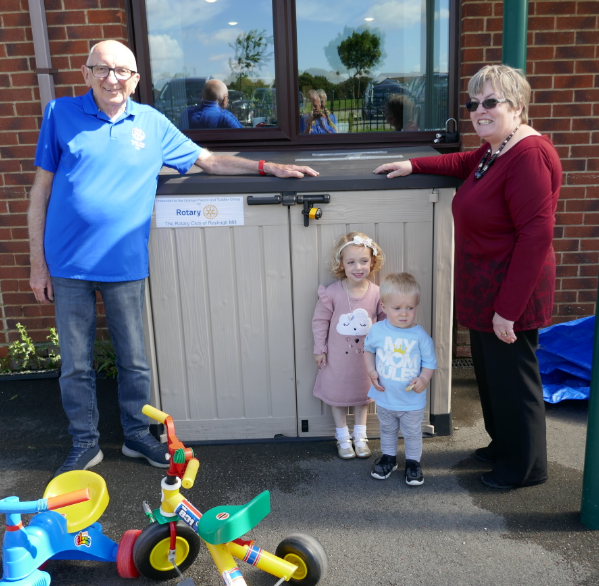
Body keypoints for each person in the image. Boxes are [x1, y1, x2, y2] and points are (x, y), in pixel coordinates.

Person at [28, 40, 318, 477]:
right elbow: (40, 194)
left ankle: (135, 435)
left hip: (125, 264)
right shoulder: (59, 115)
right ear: (86, 74)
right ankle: (85, 444)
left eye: (121, 71)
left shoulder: (152, 123)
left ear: (136, 79)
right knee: (76, 364)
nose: (112, 79)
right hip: (67, 263)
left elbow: (210, 161)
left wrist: (267, 168)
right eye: (102, 69)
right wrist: (37, 264)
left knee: (135, 359)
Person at [374, 64, 562, 489]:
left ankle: (526, 467)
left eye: (490, 102)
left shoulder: (529, 155)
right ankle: (504, 446)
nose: (479, 110)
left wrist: (507, 312)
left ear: (517, 106)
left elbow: (535, 238)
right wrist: (412, 163)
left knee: (515, 381)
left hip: (510, 293)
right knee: (493, 375)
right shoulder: (496, 148)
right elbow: (464, 163)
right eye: (473, 103)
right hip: (486, 288)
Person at [312, 233, 385, 459]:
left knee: (362, 396)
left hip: (366, 360)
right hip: (337, 359)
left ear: (372, 262)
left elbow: (384, 322)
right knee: (338, 396)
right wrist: (319, 349)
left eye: (363, 261)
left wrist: (385, 350)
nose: (358, 267)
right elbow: (320, 321)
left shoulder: (376, 293)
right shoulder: (332, 292)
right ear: (341, 264)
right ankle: (343, 437)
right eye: (351, 262)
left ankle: (360, 436)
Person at [364, 273, 436, 486]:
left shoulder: (420, 336)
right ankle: (389, 458)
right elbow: (368, 350)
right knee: (386, 429)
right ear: (384, 307)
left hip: (411, 401)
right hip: (385, 396)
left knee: (412, 432)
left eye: (410, 308)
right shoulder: (377, 330)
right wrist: (371, 371)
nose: (404, 314)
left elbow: (430, 363)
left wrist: (423, 378)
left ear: (416, 306)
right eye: (397, 308)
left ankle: (413, 463)